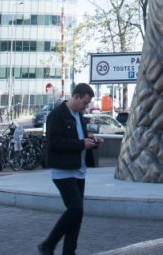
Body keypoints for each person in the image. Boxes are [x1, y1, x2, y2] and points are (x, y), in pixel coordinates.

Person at [37, 83, 98, 255]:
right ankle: (48, 244)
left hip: (79, 170)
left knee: (77, 214)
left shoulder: (79, 115)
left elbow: (81, 138)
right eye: (85, 103)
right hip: (63, 170)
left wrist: (93, 142)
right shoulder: (57, 115)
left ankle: (69, 251)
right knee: (75, 209)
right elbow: (54, 143)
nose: (86, 107)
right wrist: (81, 144)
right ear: (76, 97)